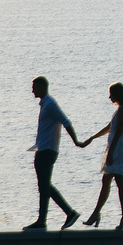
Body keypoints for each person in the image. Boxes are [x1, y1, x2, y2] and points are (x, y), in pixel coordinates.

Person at [24, 75, 82, 231]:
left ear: (43, 87)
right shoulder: (45, 104)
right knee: (44, 186)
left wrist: (75, 141)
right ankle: (51, 217)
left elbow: (66, 121)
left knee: (44, 186)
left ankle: (60, 215)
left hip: (47, 150)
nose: (32, 90)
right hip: (43, 148)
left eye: (34, 87)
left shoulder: (50, 104)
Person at [79, 82, 123, 229]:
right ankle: (103, 214)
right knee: (110, 181)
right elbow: (110, 127)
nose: (109, 97)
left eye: (111, 93)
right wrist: (92, 137)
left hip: (117, 148)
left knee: (117, 180)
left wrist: (111, 152)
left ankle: (120, 215)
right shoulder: (119, 110)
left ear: (117, 94)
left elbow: (117, 132)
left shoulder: (122, 110)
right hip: (115, 147)